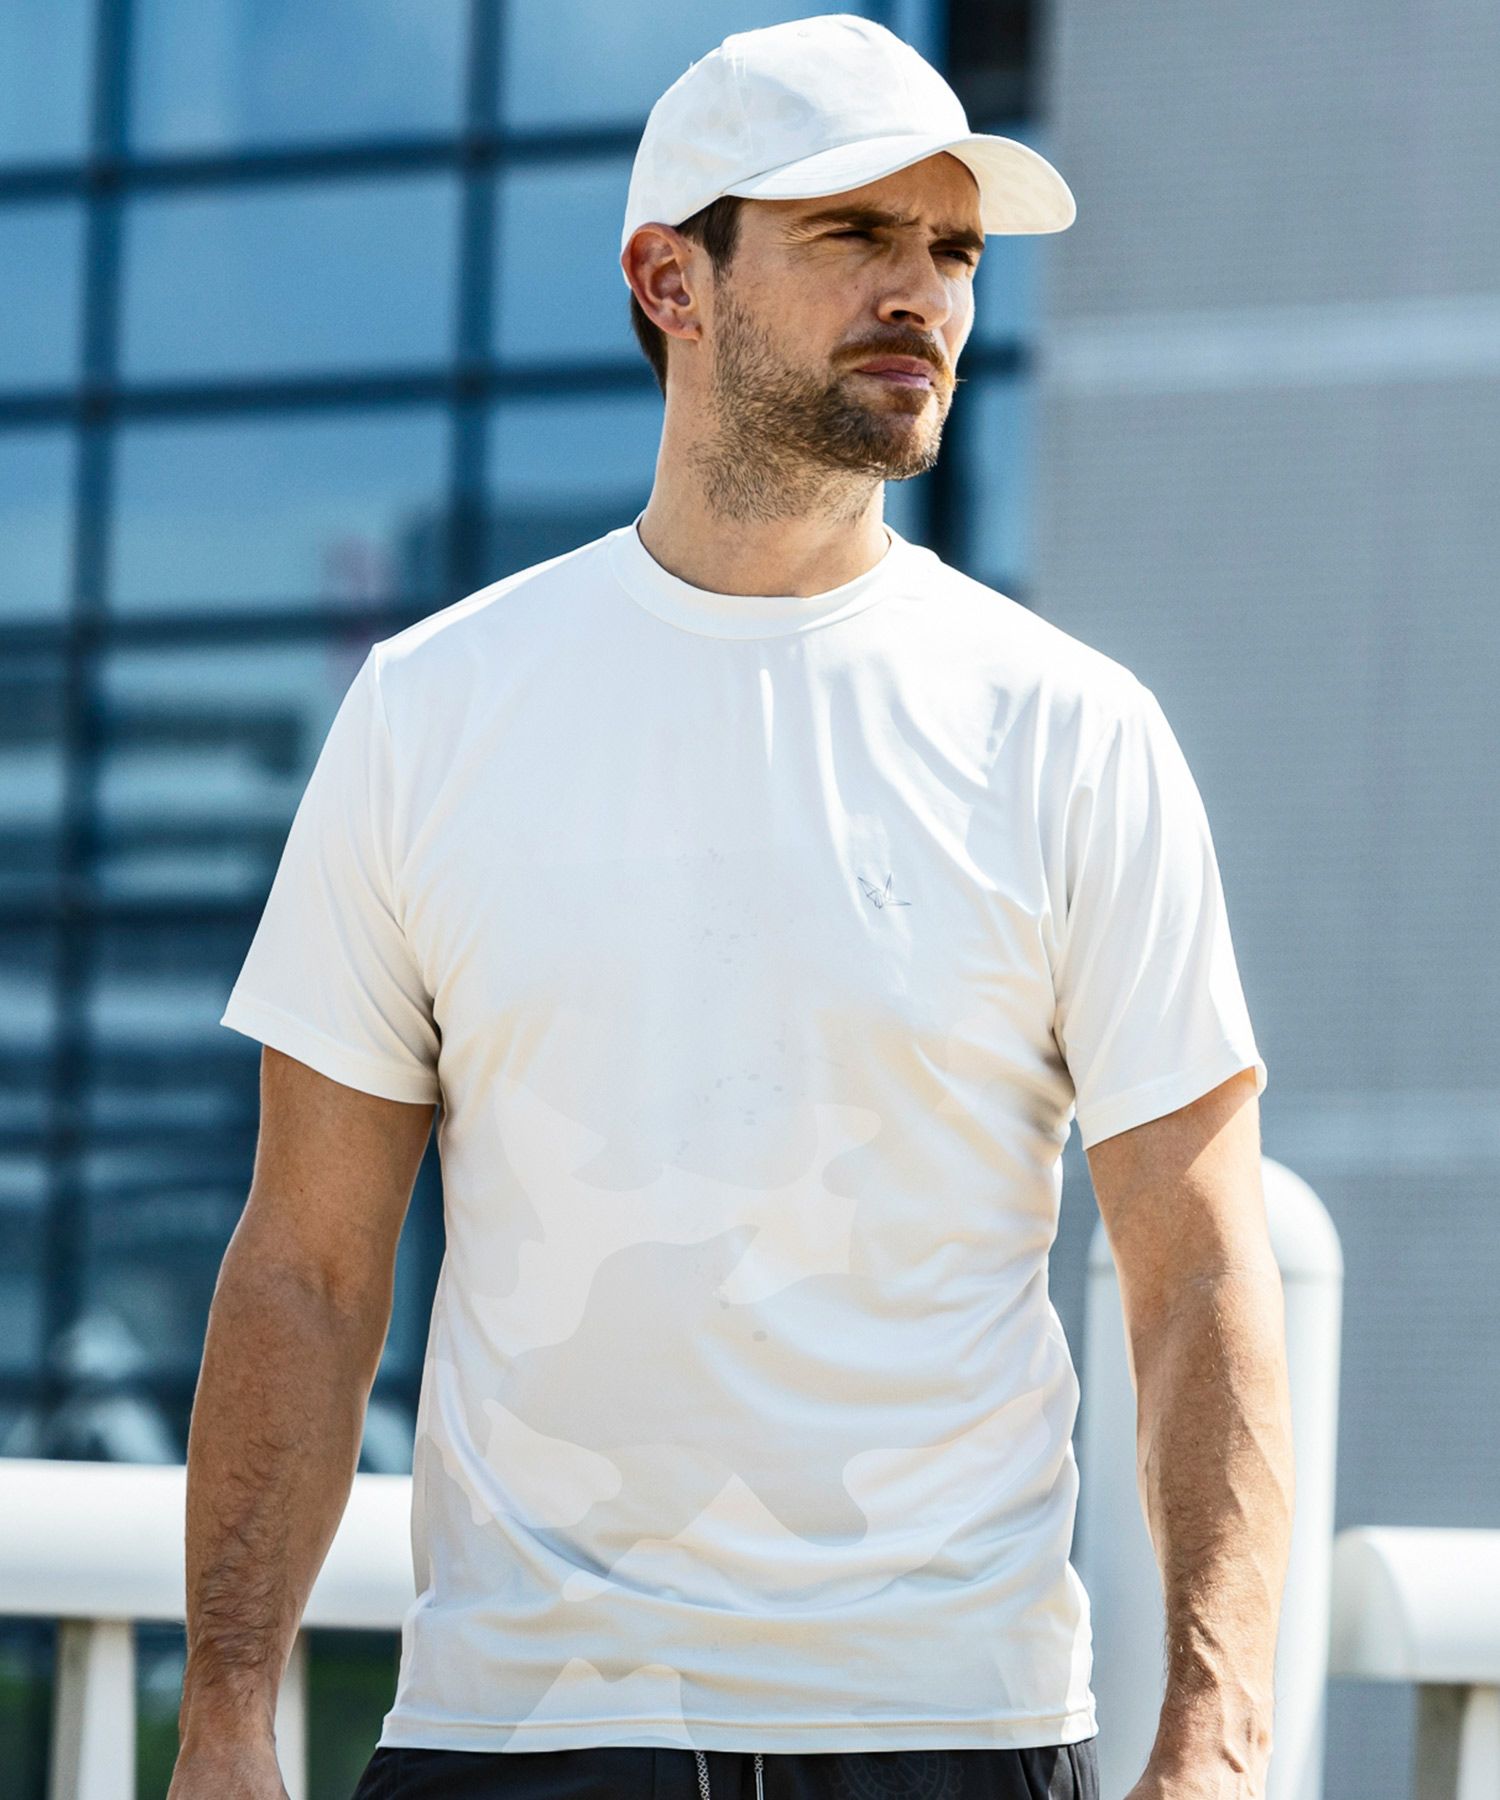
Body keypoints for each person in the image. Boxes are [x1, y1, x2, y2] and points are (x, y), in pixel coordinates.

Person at [168, 14, 1294, 1800]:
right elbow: (306, 1263)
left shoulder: (1071, 733)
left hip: (957, 1739)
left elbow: (1201, 1263)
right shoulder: (431, 712)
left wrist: (1213, 1742)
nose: (921, 293)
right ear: (669, 280)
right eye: (854, 233)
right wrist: (227, 1719)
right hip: (522, 1736)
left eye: (953, 251)